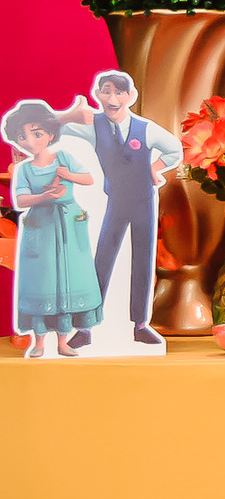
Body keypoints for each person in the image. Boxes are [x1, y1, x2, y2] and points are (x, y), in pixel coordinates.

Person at [61, 71, 178, 347]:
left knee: (143, 260)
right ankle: (86, 327)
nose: (112, 98)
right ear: (98, 94)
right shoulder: (94, 125)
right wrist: (71, 115)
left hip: (143, 202)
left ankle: (140, 324)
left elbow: (174, 149)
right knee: (102, 259)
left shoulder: (144, 128)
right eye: (106, 91)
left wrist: (154, 168)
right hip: (115, 201)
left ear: (130, 96)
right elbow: (58, 127)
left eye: (119, 92)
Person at [4, 101, 103, 358]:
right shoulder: (24, 169)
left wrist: (67, 175)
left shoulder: (63, 158)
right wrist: (44, 197)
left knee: (68, 279)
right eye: (22, 136)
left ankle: (63, 342)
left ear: (50, 134)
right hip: (41, 228)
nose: (29, 140)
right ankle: (38, 343)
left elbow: (89, 179)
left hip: (69, 224)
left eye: (36, 133)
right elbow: (20, 201)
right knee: (42, 280)